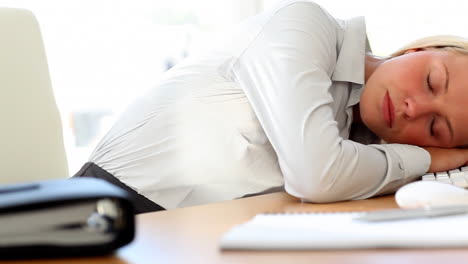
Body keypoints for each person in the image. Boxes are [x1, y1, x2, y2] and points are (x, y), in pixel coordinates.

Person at [73, 0, 468, 214]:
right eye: (432, 81)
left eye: (436, 128)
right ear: (421, 48)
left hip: (193, 236)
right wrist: (429, 157)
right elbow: (318, 177)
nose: (412, 108)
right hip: (104, 214)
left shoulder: (362, 140)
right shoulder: (303, 24)